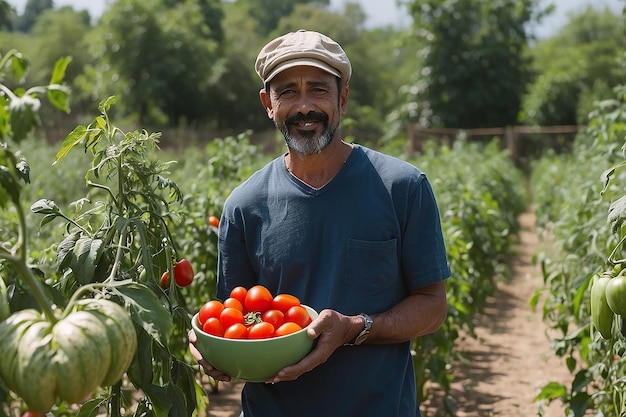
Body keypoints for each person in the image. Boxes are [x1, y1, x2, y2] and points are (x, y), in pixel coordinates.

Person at [189, 29, 451, 417]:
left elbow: (432, 306)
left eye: (318, 90)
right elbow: (237, 319)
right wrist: (213, 348)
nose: (304, 106)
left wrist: (355, 327)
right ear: (268, 104)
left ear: (342, 98)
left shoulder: (402, 187)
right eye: (288, 92)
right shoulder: (244, 206)